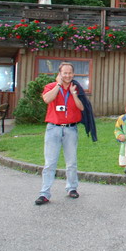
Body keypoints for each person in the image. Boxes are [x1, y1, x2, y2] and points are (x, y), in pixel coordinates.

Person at [35, 63, 85, 205]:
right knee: (50, 163)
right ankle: (44, 193)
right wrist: (58, 85)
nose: (67, 75)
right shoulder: (51, 86)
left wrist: (74, 94)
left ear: (73, 74)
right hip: (53, 129)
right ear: (60, 74)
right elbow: (47, 99)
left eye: (70, 73)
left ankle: (72, 188)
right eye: (65, 73)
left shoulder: (76, 88)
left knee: (71, 162)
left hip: (70, 129)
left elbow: (82, 107)